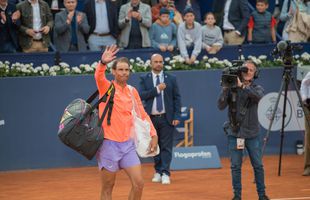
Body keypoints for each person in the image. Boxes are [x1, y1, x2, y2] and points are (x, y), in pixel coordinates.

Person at [95, 45, 158, 200]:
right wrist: (102, 63)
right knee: (108, 188)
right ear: (114, 72)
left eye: (126, 70)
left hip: (128, 146)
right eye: (120, 70)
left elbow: (142, 114)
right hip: (108, 145)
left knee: (139, 184)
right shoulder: (107, 88)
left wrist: (153, 134)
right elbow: (98, 77)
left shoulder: (132, 91)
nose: (124, 73)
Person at [217, 60, 270, 200]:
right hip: (235, 133)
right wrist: (225, 88)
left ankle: (262, 195)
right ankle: (237, 196)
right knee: (235, 166)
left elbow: (259, 98)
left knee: (258, 165)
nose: (248, 72)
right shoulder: (232, 87)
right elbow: (220, 105)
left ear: (255, 74)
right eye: (245, 69)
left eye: (251, 70)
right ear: (240, 71)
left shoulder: (257, 88)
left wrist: (243, 87)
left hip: (252, 134)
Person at [139, 54, 181, 185]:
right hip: (151, 119)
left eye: (160, 62)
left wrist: (176, 116)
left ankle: (165, 173)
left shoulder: (171, 78)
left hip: (166, 118)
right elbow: (142, 95)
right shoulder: (144, 78)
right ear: (151, 63)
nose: (158, 64)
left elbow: (177, 98)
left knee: (166, 147)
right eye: (156, 62)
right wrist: (157, 89)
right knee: (154, 147)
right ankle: (157, 171)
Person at [300, 71, 310, 176]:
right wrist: (305, 99)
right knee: (309, 135)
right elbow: (304, 83)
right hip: (309, 105)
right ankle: (308, 166)